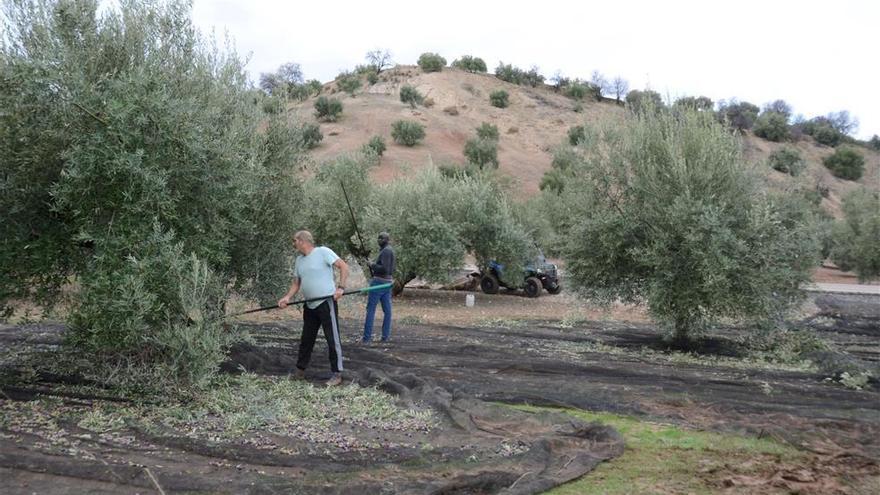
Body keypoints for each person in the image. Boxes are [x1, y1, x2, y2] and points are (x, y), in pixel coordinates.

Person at [278, 230, 349, 386]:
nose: (293, 244)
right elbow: (296, 283)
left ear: (303, 241)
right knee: (307, 339)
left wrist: (341, 288)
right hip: (310, 305)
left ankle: (337, 374)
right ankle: (300, 370)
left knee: (332, 338)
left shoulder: (323, 252)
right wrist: (287, 297)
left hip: (326, 302)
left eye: (295, 240)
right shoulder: (299, 261)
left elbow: (343, 266)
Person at [362, 232, 395, 343]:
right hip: (388, 283)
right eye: (378, 238)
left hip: (378, 283)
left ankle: (366, 338)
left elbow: (384, 269)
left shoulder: (386, 251)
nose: (379, 240)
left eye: (381, 238)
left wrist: (372, 265)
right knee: (388, 311)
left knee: (371, 310)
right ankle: (385, 337)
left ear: (386, 240)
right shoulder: (390, 250)